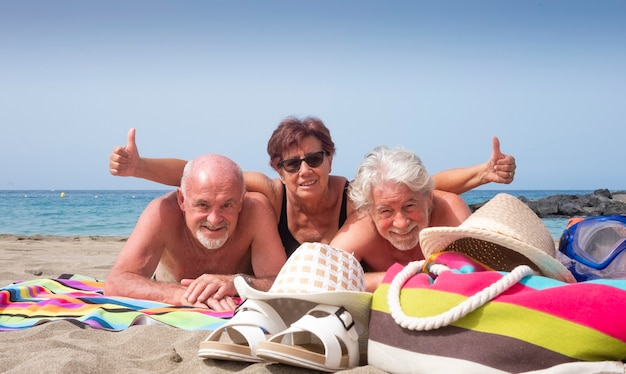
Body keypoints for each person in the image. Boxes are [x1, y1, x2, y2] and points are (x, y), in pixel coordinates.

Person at [109, 117, 516, 256]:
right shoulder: (268, 192)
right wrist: (140, 167)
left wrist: (483, 174)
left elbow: (416, 187)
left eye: (315, 158)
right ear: (278, 167)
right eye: (292, 162)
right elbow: (199, 172)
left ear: (329, 158)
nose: (305, 169)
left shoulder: (355, 194)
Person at [104, 154, 287, 311]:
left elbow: (281, 284)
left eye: (227, 205)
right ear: (182, 200)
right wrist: (181, 294)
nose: (214, 219)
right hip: (172, 288)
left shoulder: (256, 212)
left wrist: (234, 283)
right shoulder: (162, 213)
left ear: (240, 201)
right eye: (202, 205)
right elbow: (117, 281)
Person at [329, 146, 472, 291]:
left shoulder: (451, 212)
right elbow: (325, 276)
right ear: (369, 211)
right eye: (386, 211)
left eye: (409, 206)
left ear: (428, 197)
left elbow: (476, 273)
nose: (401, 223)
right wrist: (403, 278)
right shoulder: (361, 228)